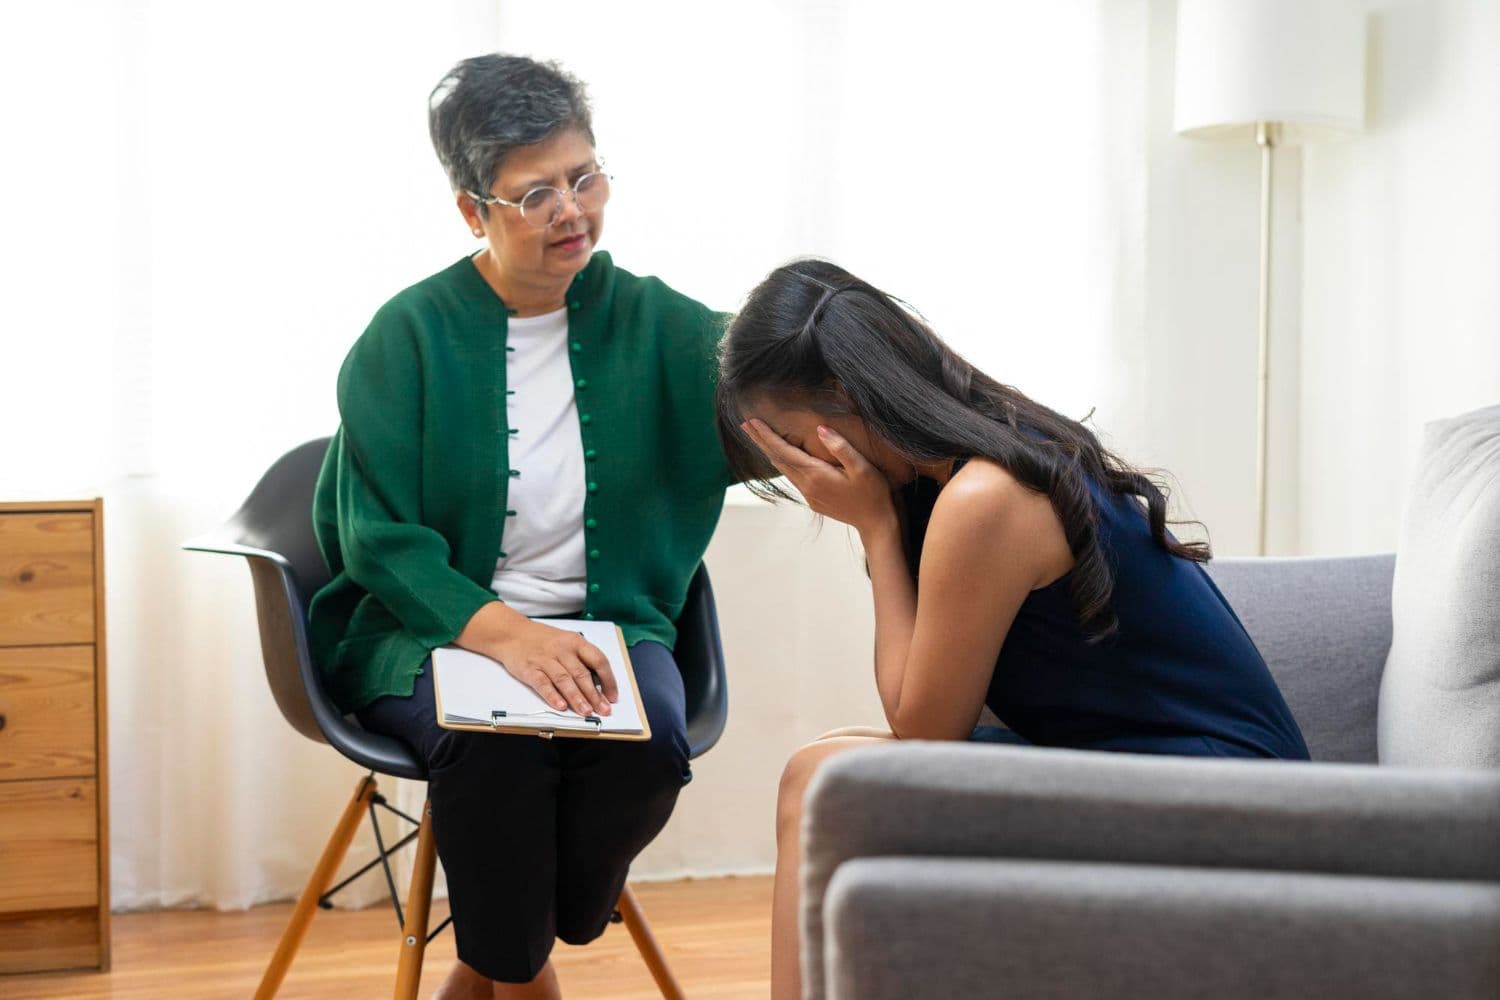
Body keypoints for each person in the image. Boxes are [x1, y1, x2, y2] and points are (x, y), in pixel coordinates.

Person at [714, 259, 1311, 1000]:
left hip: (1232, 805)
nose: (801, 470)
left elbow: (925, 730)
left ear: (844, 403)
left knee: (821, 778)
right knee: (824, 768)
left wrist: (871, 527)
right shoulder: (973, 465)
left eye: (794, 443)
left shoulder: (986, 497)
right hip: (1142, 770)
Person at [307, 54, 732, 999]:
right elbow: (374, 535)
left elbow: (771, 378)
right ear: (472, 212)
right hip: (436, 629)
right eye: (534, 193)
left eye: (584, 178)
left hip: (611, 619)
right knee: (492, 742)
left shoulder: (658, 324)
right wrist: (503, 634)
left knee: (653, 746)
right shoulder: (404, 336)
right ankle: (519, 969)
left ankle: (523, 944)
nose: (571, 211)